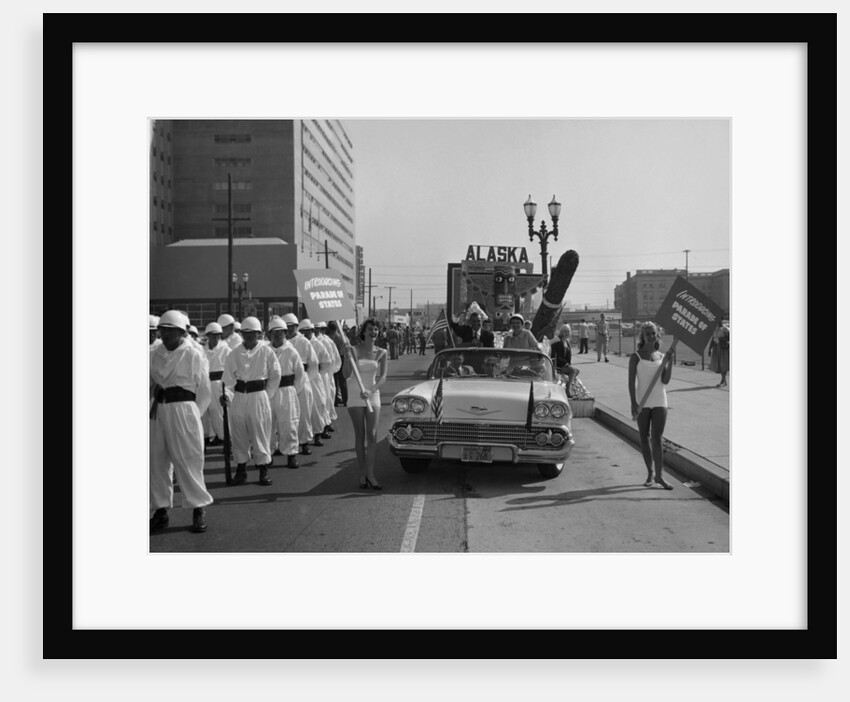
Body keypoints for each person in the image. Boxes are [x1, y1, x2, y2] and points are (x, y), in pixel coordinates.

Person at [150, 310, 213, 534]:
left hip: (184, 410)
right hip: (159, 410)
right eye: (163, 330)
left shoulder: (193, 354)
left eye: (171, 330)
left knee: (189, 459)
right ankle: (160, 510)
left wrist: (193, 414)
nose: (165, 335)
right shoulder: (153, 353)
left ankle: (198, 507)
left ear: (181, 332)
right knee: (156, 461)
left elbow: (204, 391)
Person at [221, 316, 281, 487]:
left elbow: (275, 374)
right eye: (245, 333)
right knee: (238, 434)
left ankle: (263, 469)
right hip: (239, 396)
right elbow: (228, 379)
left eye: (252, 333)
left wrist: (267, 394)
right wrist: (226, 395)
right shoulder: (234, 353)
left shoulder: (266, 351)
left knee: (260, 432)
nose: (248, 336)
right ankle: (241, 471)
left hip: (258, 396)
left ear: (258, 334)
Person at [341, 318, 388, 490]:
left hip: (372, 394)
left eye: (375, 329)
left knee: (372, 435)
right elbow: (346, 375)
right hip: (355, 394)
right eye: (370, 329)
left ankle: (371, 474)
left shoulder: (382, 352)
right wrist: (346, 358)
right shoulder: (353, 350)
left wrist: (372, 390)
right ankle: (362, 473)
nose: (373, 332)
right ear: (363, 332)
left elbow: (383, 377)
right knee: (360, 436)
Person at [628, 322, 675, 490]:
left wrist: (669, 362)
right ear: (642, 336)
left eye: (653, 333)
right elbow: (631, 382)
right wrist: (633, 402)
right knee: (644, 437)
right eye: (647, 333)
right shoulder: (636, 357)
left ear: (657, 335)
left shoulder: (662, 356)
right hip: (642, 401)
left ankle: (659, 476)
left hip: (660, 400)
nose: (650, 336)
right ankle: (650, 472)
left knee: (657, 438)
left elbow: (665, 381)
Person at [267, 317, 303, 469]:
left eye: (281, 332)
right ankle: (268, 454)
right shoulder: (265, 351)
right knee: (268, 424)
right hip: (269, 392)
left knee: (289, 424)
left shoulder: (291, 351)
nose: (278, 335)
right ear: (270, 334)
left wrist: (293, 391)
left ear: (285, 333)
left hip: (287, 391)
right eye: (275, 333)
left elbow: (300, 375)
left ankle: (291, 454)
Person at [282, 313, 319, 456]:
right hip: (286, 383)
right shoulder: (281, 343)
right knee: (287, 416)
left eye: (292, 326)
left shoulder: (303, 342)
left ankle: (304, 442)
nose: (289, 329)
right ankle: (287, 444)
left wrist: (306, 379)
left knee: (304, 413)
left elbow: (313, 363)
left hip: (302, 381)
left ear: (297, 327)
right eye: (287, 327)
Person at [297, 318, 332, 446]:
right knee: (303, 410)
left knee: (317, 406)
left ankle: (318, 434)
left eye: (308, 330)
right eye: (303, 330)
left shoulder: (319, 344)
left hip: (315, 380)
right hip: (302, 380)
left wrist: (318, 374)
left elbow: (327, 362)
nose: (306, 333)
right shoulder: (298, 343)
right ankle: (303, 438)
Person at [201, 322, 232, 446]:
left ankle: (226, 437)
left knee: (220, 411)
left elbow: (231, 368)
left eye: (217, 335)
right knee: (207, 412)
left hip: (220, 384)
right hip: (206, 383)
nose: (215, 338)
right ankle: (213, 435)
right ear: (208, 335)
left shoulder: (226, 349)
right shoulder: (202, 350)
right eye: (212, 335)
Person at [549, 324, 580, 395]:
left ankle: (567, 384)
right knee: (572, 370)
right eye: (565, 331)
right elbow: (555, 356)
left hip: (565, 365)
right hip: (558, 365)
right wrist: (566, 364)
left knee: (576, 371)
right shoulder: (557, 341)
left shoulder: (567, 342)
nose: (567, 333)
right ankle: (568, 389)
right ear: (561, 332)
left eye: (568, 331)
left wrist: (568, 365)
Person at [327, 321, 349, 407]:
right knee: (342, 381)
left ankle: (335, 401)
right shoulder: (343, 338)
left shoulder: (328, 338)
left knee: (335, 381)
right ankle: (345, 400)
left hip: (333, 359)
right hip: (342, 358)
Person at [709, 322, 730, 387]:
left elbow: (729, 337)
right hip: (716, 349)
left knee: (723, 365)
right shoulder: (715, 329)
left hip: (723, 349)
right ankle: (724, 381)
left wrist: (721, 339)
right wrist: (709, 349)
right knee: (719, 365)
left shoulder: (725, 329)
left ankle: (722, 381)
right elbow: (713, 339)